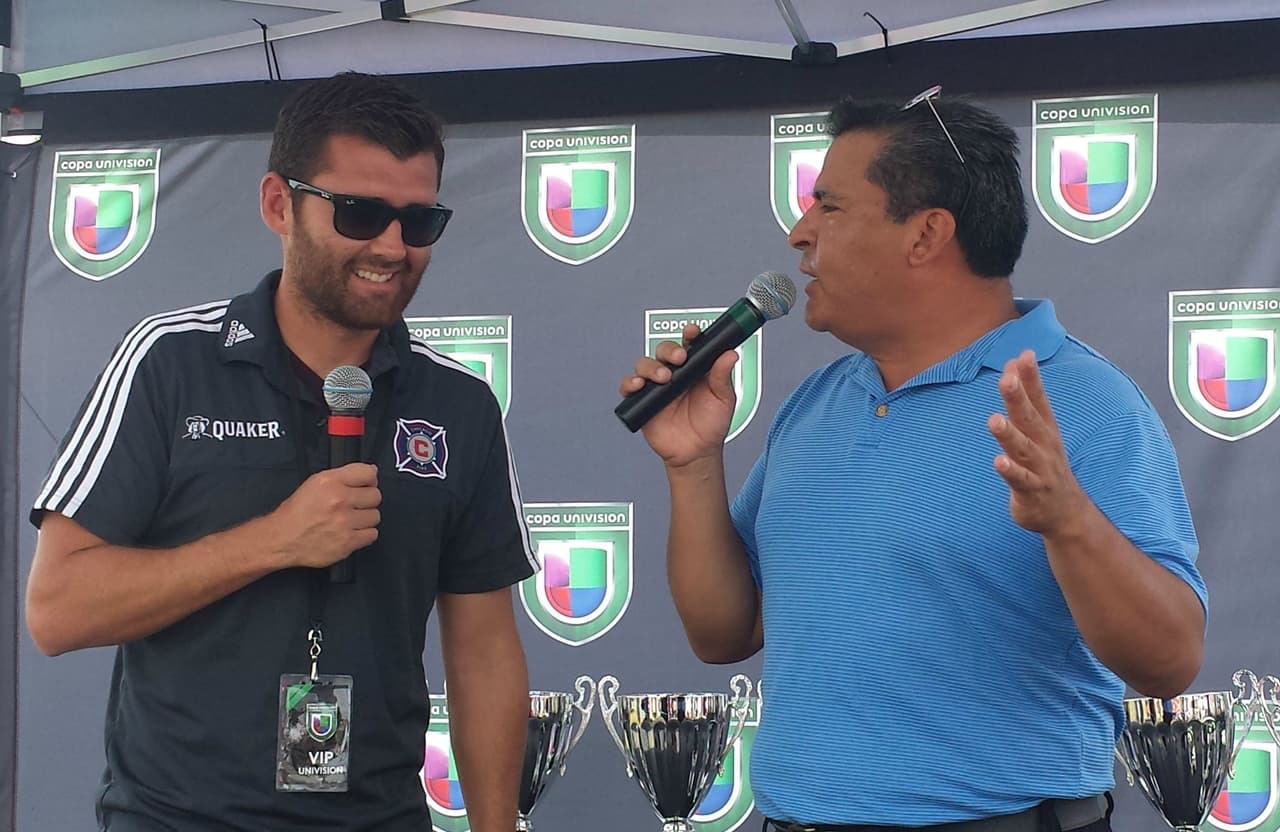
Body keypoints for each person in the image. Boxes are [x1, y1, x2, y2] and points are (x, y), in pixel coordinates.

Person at [619, 88, 1206, 832]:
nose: (799, 234)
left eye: (829, 207)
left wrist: (1070, 522)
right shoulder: (816, 403)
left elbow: (1170, 662)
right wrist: (693, 464)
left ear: (926, 234)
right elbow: (722, 635)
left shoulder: (1086, 401)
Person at [26, 72, 537, 832]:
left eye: (419, 221)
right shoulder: (169, 362)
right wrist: (274, 541)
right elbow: (57, 609)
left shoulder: (458, 403)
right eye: (360, 213)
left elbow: (484, 649)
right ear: (278, 205)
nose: (391, 247)